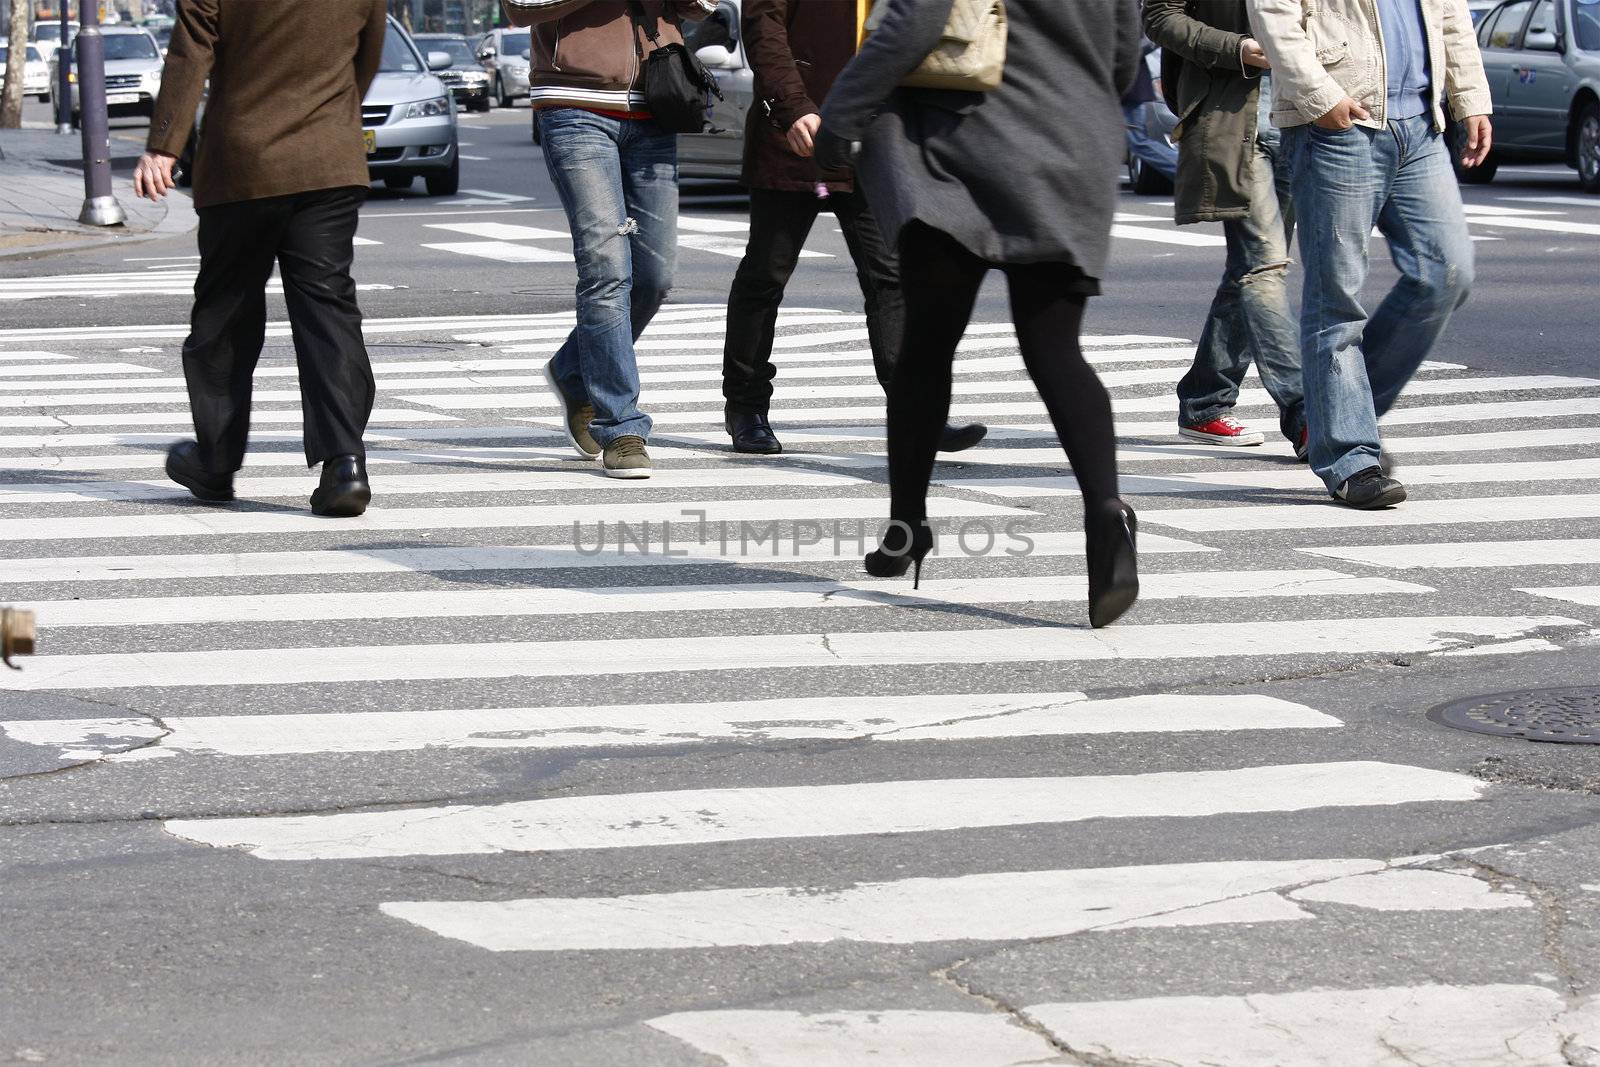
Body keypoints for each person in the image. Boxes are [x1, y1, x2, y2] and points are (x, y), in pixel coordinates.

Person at [819, 0, 1144, 628]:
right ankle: (1106, 514)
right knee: (1055, 349)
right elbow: (1125, 56)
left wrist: (839, 120)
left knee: (927, 347)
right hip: (1072, 146)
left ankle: (906, 527)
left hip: (955, 150)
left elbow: (912, 24)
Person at [133, 0, 387, 517]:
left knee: (225, 314)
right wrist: (329, 115)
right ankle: (344, 462)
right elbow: (369, 54)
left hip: (243, 160)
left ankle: (217, 461)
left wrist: (165, 145)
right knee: (327, 310)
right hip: (328, 158)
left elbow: (190, 53)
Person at [1247, 0, 1493, 508]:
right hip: (1336, 125)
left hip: (1420, 127)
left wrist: (1469, 96)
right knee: (1336, 297)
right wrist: (1319, 95)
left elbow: (1450, 13)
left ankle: (1334, 413)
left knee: (1446, 274)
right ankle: (1350, 459)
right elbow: (1273, 14)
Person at [721, 0, 985, 456]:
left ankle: (916, 413)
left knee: (892, 278)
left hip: (875, 134)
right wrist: (791, 106)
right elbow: (765, 29)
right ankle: (746, 409)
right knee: (766, 274)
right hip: (800, 130)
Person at [507, 0, 717, 479]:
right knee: (606, 271)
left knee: (655, 277)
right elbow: (520, 7)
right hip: (575, 107)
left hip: (657, 104)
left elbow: (704, 6)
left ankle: (572, 369)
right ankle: (621, 426)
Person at [1145, 1, 1307, 454]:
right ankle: (1308, 415)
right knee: (1264, 267)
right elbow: (1161, 16)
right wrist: (1238, 48)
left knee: (1252, 272)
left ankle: (1204, 402)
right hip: (1239, 119)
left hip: (1311, 117)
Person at [1120, 39, 1179, 190]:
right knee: (1137, 140)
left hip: (1128, 84)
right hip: (1128, 82)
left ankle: (1189, 175)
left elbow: (1140, 41)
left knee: (1138, 140)